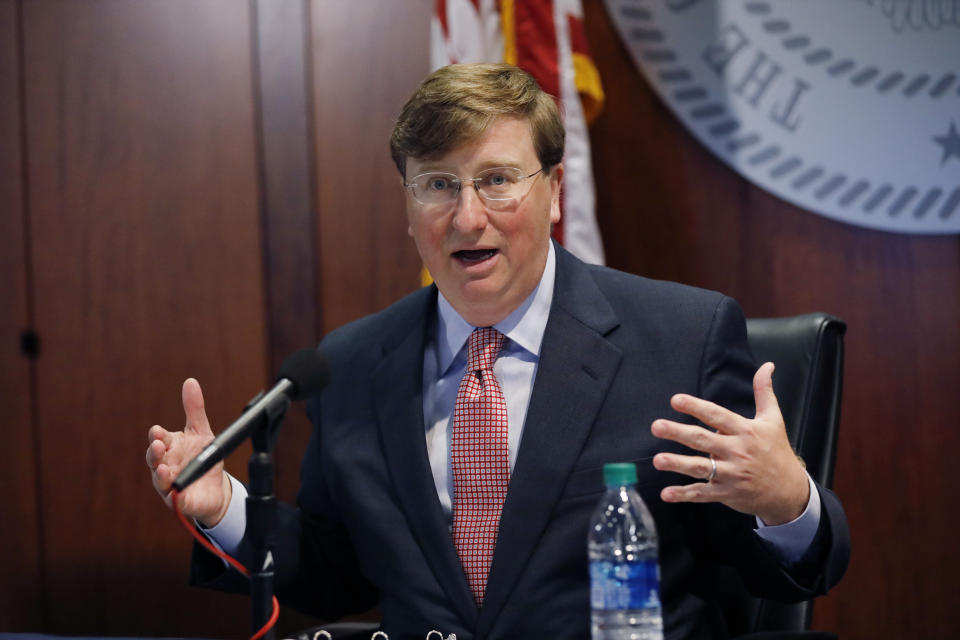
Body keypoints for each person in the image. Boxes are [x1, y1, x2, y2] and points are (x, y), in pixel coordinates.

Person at [146, 63, 849, 640]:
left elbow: (777, 573)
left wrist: (788, 503)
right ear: (409, 207)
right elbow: (338, 573)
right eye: (438, 185)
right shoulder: (354, 363)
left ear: (553, 193)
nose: (467, 215)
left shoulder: (680, 338)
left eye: (496, 180)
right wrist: (223, 507)